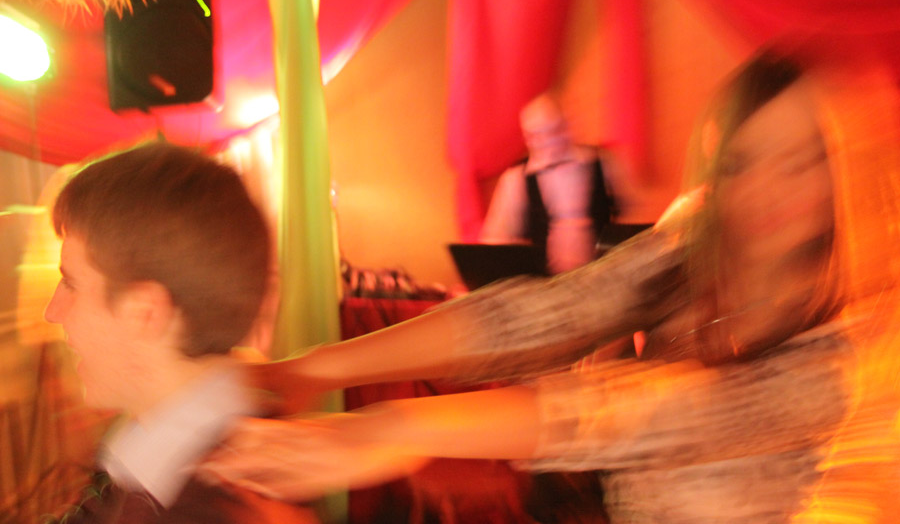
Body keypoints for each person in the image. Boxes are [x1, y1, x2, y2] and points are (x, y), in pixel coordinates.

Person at [201, 47, 900, 522]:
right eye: (743, 162)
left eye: (802, 162)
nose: (765, 192)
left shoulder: (864, 340)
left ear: (848, 170)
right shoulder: (698, 239)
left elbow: (646, 414)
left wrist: (394, 427)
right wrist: (307, 369)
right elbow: (543, 316)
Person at [44, 143, 317, 523]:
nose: (52, 312)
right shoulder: (148, 451)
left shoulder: (216, 508)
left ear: (145, 313)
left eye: (70, 283)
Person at [479, 91, 620, 274]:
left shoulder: (604, 162)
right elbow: (495, 241)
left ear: (567, 125)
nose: (547, 142)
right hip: (545, 283)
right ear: (526, 138)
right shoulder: (516, 179)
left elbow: (633, 220)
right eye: (535, 136)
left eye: (554, 131)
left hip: (602, 277)